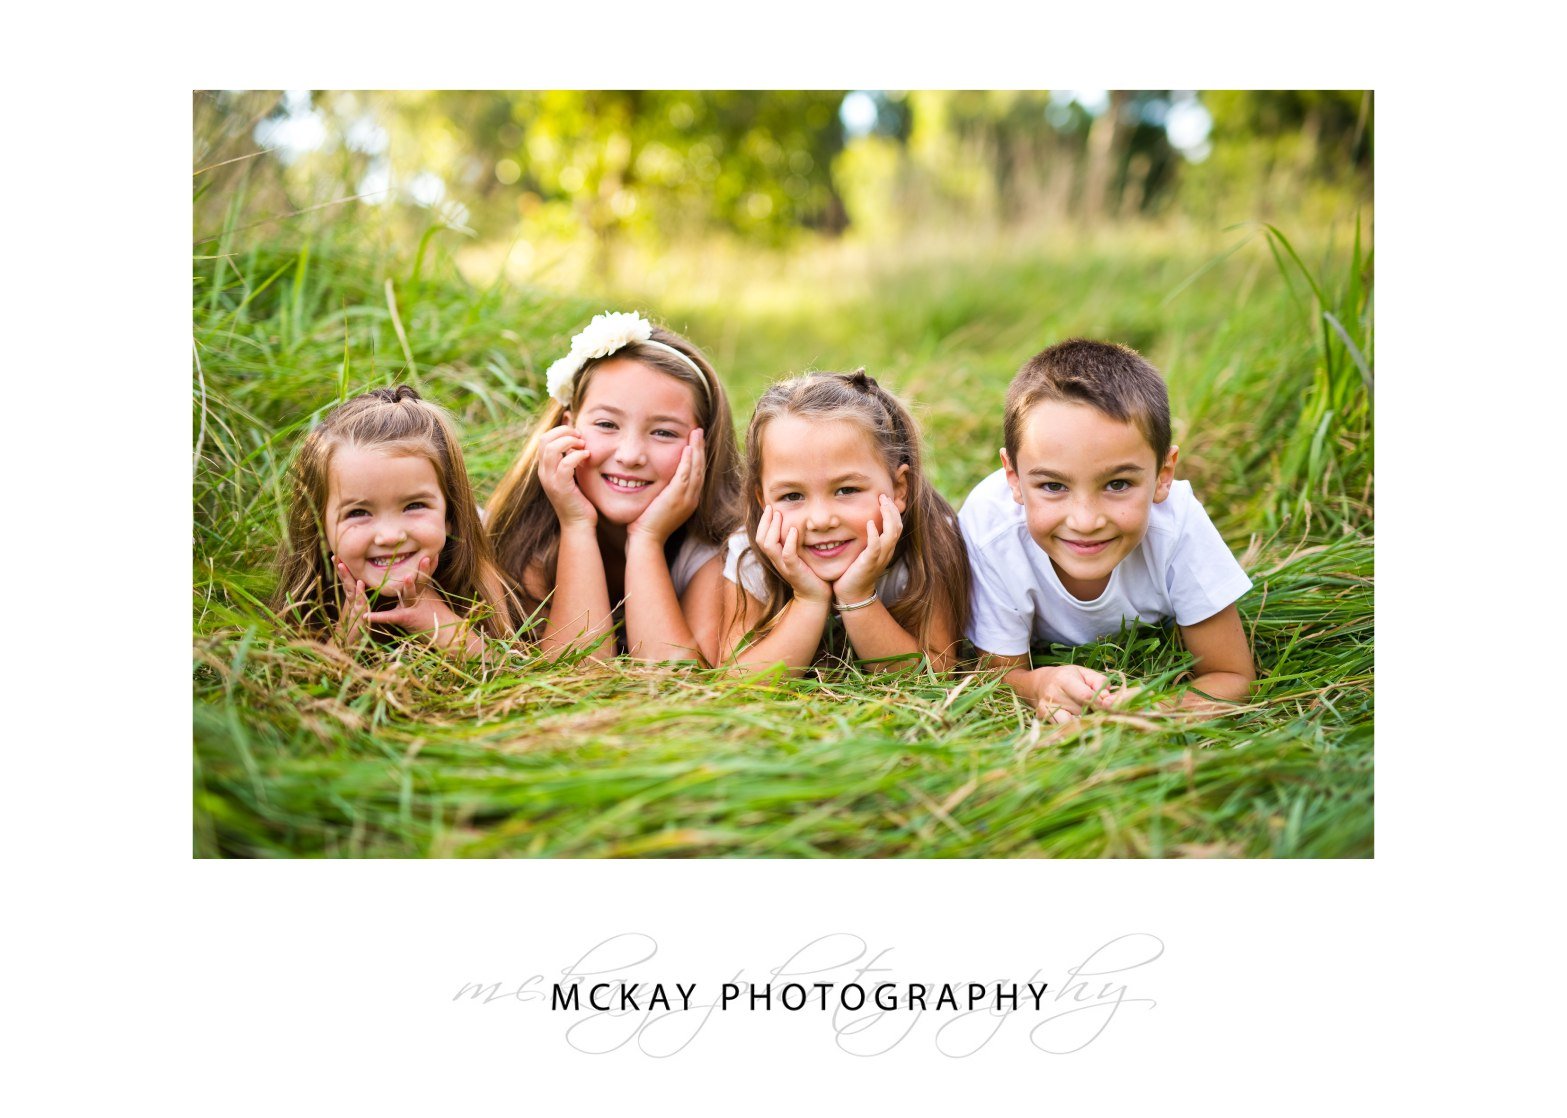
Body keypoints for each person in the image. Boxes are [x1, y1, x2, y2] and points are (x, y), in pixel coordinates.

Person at [960, 338, 1255, 721]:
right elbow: (998, 675)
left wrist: (1150, 708)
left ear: (1163, 475)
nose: (1085, 521)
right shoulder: (991, 530)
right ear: (1013, 478)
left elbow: (1232, 675)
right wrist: (1039, 684)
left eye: (1117, 484)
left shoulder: (1178, 523)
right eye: (1053, 486)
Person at [486, 312, 742, 664]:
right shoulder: (532, 536)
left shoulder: (719, 551)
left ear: (704, 446)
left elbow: (675, 681)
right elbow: (578, 673)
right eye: (607, 424)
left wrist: (647, 540)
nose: (631, 455)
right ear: (568, 428)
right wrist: (575, 525)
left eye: (664, 432)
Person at [717, 370, 970, 673]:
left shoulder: (928, 537)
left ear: (899, 488)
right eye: (792, 496)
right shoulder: (752, 552)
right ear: (763, 499)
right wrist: (808, 599)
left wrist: (858, 595)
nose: (821, 520)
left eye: (847, 490)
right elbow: (738, 678)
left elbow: (935, 670)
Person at [274, 385, 515, 656]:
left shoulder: (478, 577)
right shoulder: (309, 595)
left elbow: (509, 673)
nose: (389, 536)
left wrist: (437, 620)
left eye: (414, 506)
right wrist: (348, 632)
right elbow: (303, 686)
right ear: (320, 528)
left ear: (451, 515)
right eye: (358, 513)